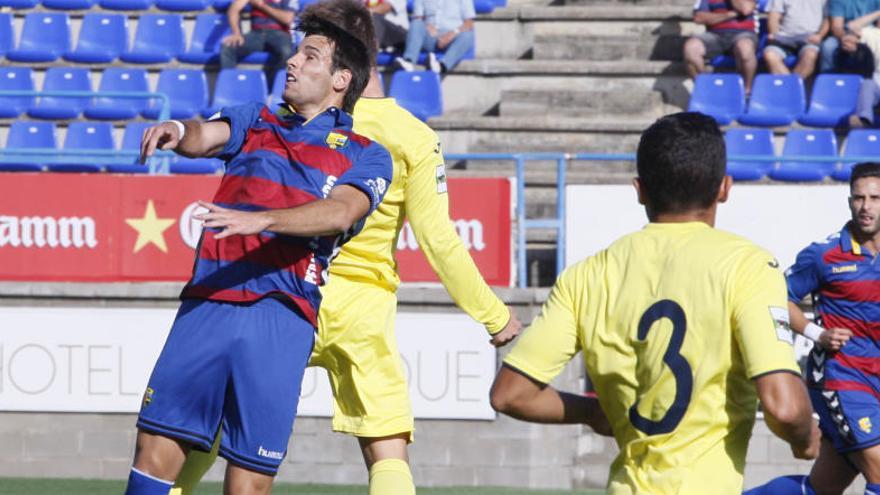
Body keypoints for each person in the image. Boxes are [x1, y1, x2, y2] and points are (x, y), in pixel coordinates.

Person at [169, 34, 524, 495]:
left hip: (285, 287)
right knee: (386, 449)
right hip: (362, 304)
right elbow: (439, 241)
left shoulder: (304, 117)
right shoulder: (413, 135)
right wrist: (493, 315)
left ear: (341, 71)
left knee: (213, 428)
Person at [123, 2, 393, 494]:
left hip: (281, 317)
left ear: (340, 79)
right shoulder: (257, 118)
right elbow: (206, 135)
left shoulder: (366, 154)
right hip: (209, 302)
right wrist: (178, 132)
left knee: (247, 481)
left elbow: (341, 213)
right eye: (296, 53)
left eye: (310, 56)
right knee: (153, 452)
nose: (293, 62)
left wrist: (263, 219)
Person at [490, 112, 821, 494]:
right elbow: (785, 409)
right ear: (724, 188)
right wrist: (804, 439)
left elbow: (509, 394)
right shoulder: (747, 266)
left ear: (639, 189)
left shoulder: (586, 275)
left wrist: (593, 412)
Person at [743, 162, 880, 495]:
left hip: (875, 379)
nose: (866, 207)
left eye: (875, 198)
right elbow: (776, 298)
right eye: (859, 198)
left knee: (822, 488)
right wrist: (817, 333)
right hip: (842, 377)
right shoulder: (825, 255)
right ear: (849, 201)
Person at [683, 0, 760, 95]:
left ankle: (746, 92)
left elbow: (745, 9)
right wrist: (731, 14)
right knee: (691, 48)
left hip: (743, 34)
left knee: (745, 48)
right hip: (715, 35)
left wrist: (716, 17)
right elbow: (699, 18)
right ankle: (706, 89)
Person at [220, 0, 296, 80]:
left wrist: (261, 5)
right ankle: (229, 85)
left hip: (280, 34)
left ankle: (273, 88)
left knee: (286, 52)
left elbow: (287, 19)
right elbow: (233, 9)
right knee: (228, 47)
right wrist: (236, 33)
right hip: (256, 34)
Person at [394, 0, 475, 74]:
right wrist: (426, 25)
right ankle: (409, 61)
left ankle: (441, 66)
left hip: (453, 39)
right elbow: (418, 18)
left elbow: (469, 24)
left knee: (468, 36)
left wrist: (452, 33)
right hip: (430, 38)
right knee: (416, 24)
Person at [763, 0, 829, 79]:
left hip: (810, 37)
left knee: (810, 55)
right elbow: (774, 15)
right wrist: (774, 34)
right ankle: (792, 87)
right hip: (784, 37)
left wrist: (819, 35)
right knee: (770, 55)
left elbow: (828, 19)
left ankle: (791, 87)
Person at [818, 0, 880, 75]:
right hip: (844, 34)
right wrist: (846, 38)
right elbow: (837, 27)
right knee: (828, 46)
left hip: (869, 34)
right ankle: (829, 80)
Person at [846, 11, 880, 127]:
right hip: (877, 80)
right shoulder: (873, 34)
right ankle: (863, 119)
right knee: (867, 84)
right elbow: (852, 26)